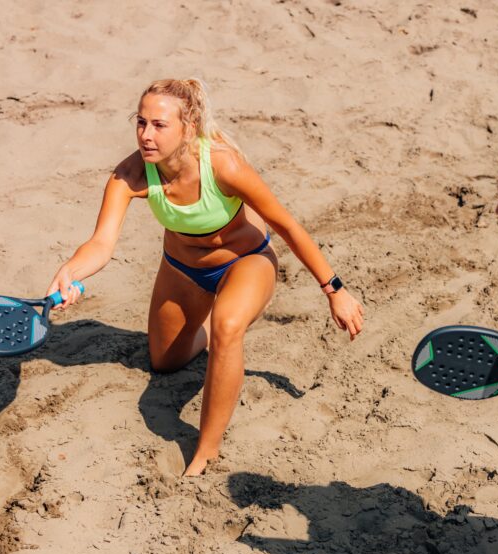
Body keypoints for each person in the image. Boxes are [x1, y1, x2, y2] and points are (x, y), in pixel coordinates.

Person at [46, 78, 364, 476]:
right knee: (165, 361)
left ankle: (207, 451)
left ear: (189, 126)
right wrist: (70, 270)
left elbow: (287, 225)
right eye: (140, 122)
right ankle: (215, 320)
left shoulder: (222, 163)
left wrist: (334, 290)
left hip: (245, 261)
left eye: (159, 125)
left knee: (230, 325)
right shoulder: (131, 174)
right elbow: (101, 244)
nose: (146, 135)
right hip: (182, 270)